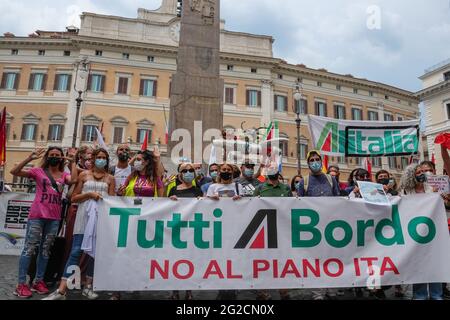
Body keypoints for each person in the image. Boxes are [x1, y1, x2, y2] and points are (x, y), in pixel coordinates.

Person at [45, 148, 116, 300]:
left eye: (104, 157)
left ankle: (88, 286)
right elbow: (74, 197)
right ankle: (62, 290)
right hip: (83, 216)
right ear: (94, 158)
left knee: (94, 253)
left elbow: (112, 201)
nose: (101, 160)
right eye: (99, 157)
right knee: (76, 251)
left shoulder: (110, 178)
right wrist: (89, 195)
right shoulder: (84, 175)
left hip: (101, 219)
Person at [10, 147, 74, 298]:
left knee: (45, 251)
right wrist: (29, 158)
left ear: (61, 158)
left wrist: (72, 163)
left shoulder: (64, 175)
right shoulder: (38, 171)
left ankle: (38, 281)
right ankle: (21, 284)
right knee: (29, 249)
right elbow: (14, 172)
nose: (54, 157)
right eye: (51, 155)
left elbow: (75, 180)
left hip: (54, 217)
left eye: (57, 155)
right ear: (47, 157)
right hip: (37, 215)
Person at [296, 150, 340, 300]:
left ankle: (332, 290)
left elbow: (338, 199)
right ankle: (318, 293)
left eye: (317, 159)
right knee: (316, 260)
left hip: (331, 226)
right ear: (308, 163)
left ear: (321, 161)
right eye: (312, 160)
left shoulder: (330, 179)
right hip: (313, 229)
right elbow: (299, 204)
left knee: (332, 258)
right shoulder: (304, 182)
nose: (315, 162)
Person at [399, 163, 443, 300]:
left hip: (434, 233)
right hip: (415, 235)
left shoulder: (431, 188)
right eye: (417, 173)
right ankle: (420, 295)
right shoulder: (405, 192)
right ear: (411, 176)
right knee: (418, 265)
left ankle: (437, 295)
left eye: (422, 172)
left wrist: (439, 194)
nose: (421, 174)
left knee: (435, 264)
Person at [253, 169, 292, 300]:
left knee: (282, 261)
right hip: (264, 230)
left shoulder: (286, 188)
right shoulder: (259, 188)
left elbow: (293, 205)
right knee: (263, 261)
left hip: (282, 230)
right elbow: (251, 206)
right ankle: (262, 291)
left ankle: (284, 291)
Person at [207, 163, 243, 300]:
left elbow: (246, 205)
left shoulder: (238, 187)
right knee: (219, 258)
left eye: (228, 170)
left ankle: (233, 287)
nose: (226, 172)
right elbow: (204, 206)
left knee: (233, 258)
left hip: (234, 228)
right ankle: (221, 288)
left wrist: (240, 200)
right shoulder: (212, 187)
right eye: (224, 170)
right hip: (218, 229)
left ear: (233, 173)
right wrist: (210, 200)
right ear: (219, 172)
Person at [168, 163, 203, 300]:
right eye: (185, 170)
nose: (188, 172)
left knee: (191, 260)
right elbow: (166, 209)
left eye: (191, 170)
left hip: (193, 231)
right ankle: (175, 291)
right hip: (177, 230)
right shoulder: (173, 190)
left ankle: (189, 291)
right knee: (175, 261)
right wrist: (169, 200)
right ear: (180, 174)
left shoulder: (198, 191)